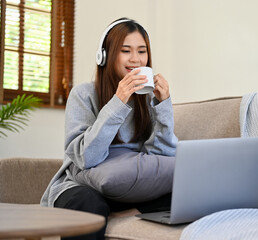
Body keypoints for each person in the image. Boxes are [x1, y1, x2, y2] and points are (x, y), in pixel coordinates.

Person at [40, 18, 178, 240]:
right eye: (126, 51)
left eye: (142, 52)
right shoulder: (83, 94)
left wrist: (163, 106)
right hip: (81, 186)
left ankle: (122, 213)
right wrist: (118, 102)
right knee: (89, 204)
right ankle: (106, 211)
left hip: (128, 186)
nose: (135, 59)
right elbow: (86, 158)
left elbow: (160, 156)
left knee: (187, 193)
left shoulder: (147, 98)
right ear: (104, 55)